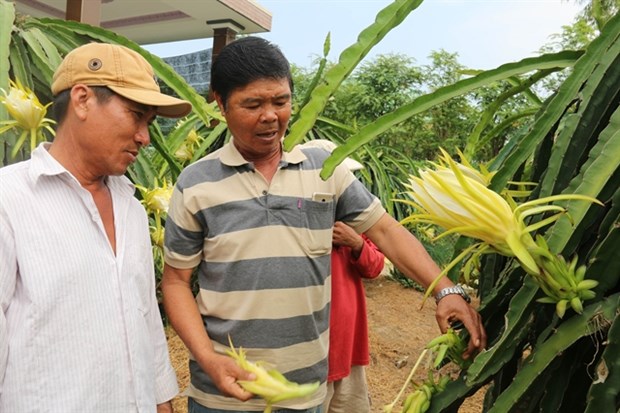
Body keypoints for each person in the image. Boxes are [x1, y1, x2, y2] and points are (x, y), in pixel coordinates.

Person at [162, 36, 486, 413]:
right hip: (220, 395)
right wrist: (207, 357)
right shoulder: (196, 182)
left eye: (281, 102)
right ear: (219, 103)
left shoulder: (326, 169)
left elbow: (384, 230)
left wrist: (445, 290)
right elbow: (175, 282)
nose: (270, 116)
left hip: (306, 395)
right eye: (253, 104)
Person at [0, 42, 192, 412]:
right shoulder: (8, 200)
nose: (144, 137)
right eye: (136, 115)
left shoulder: (131, 208)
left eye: (149, 123)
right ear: (83, 100)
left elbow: (146, 318)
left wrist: (162, 400)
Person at [301, 139, 384, 413]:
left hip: (348, 348)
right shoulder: (297, 219)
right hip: (310, 352)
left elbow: (374, 268)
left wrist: (357, 243)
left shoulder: (356, 222)